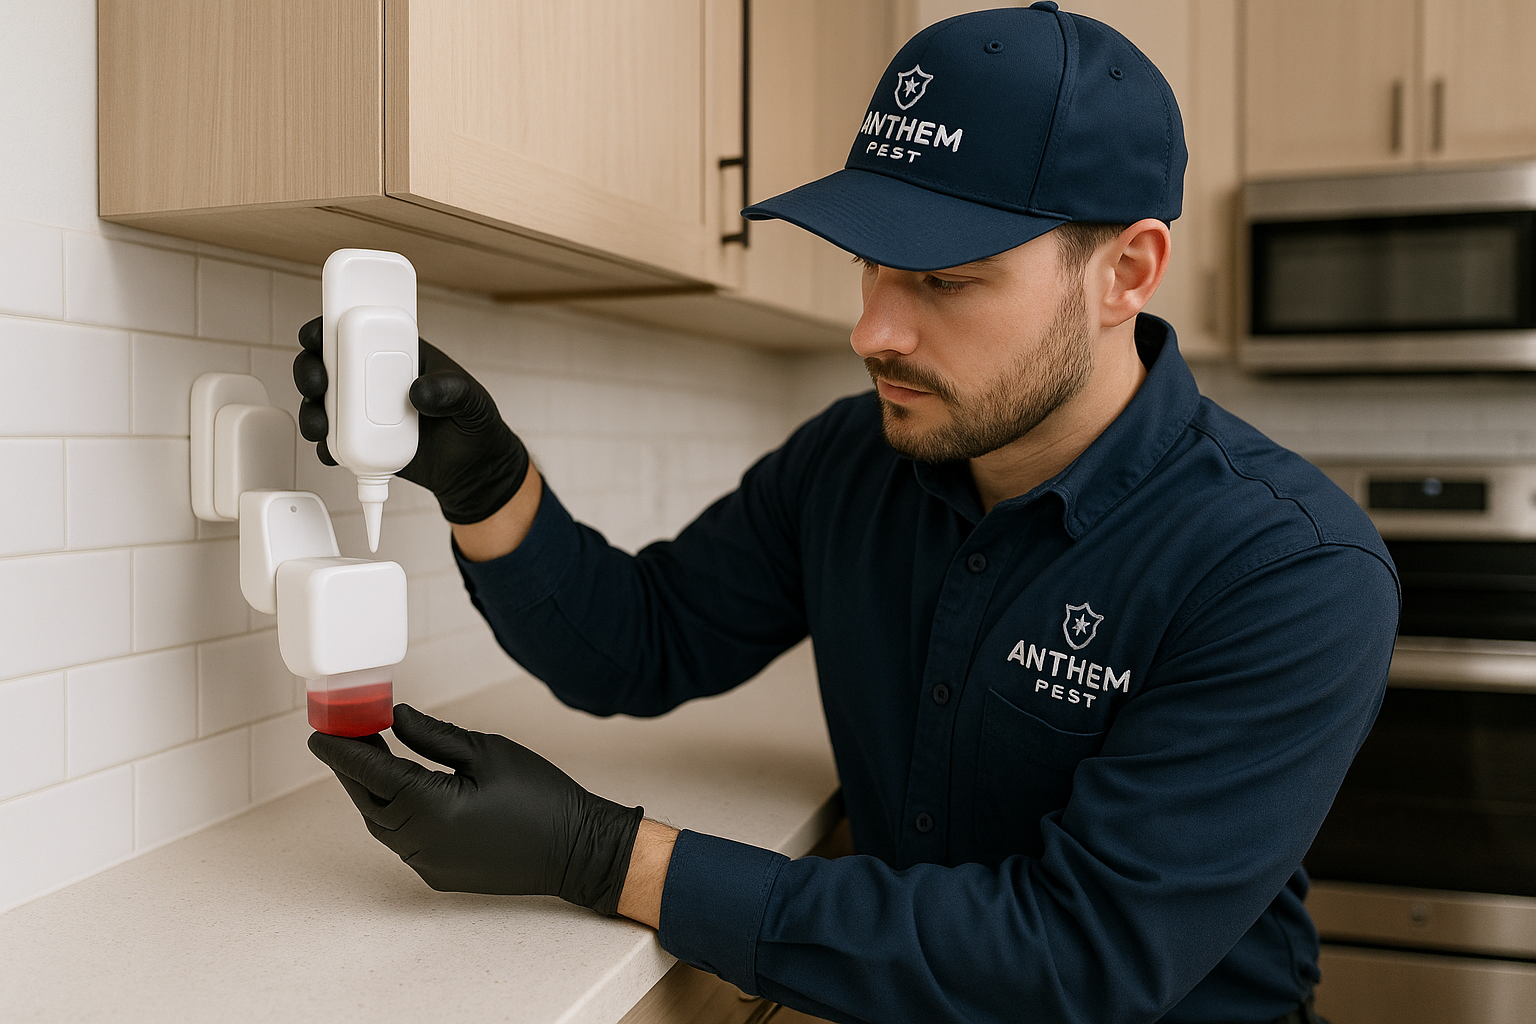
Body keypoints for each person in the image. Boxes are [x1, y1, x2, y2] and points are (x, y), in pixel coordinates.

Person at [297, 6, 1398, 1023]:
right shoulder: (852, 458)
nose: (872, 329)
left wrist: (603, 854)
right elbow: (640, 645)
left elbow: (1074, 957)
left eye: (945, 279)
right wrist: (488, 481)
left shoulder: (1288, 568)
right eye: (870, 261)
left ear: (1125, 273)